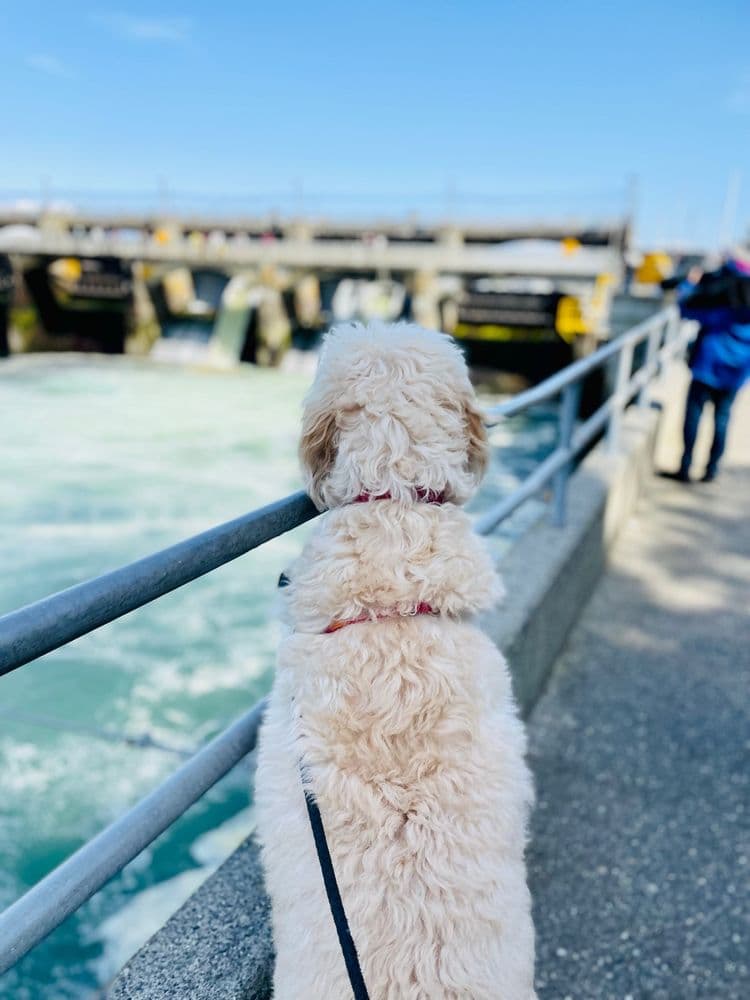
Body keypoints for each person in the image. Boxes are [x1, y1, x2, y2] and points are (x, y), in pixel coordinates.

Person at [671, 251, 750, 482]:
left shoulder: (720, 309)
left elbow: (685, 308)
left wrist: (689, 283)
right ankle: (711, 470)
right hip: (735, 375)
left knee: (693, 417)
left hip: (707, 368)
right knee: (722, 420)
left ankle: (685, 466)